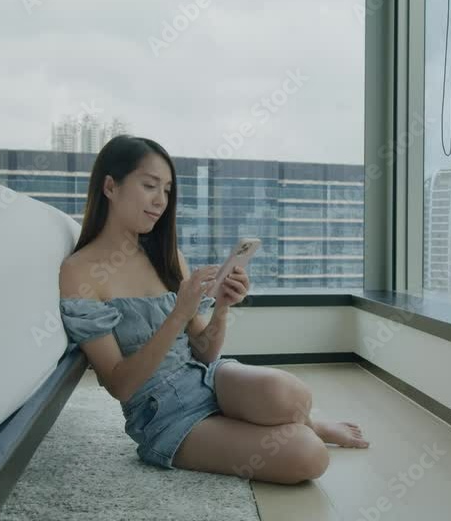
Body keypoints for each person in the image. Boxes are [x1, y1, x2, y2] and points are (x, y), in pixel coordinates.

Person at [58, 135, 369, 484]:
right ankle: (301, 428)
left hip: (206, 378)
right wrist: (178, 314)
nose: (160, 201)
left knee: (293, 396)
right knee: (309, 456)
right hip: (163, 415)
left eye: (167, 190)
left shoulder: (168, 257)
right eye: (149, 186)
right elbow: (120, 385)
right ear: (110, 187)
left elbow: (205, 355)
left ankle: (306, 421)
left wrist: (221, 307)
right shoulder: (79, 272)